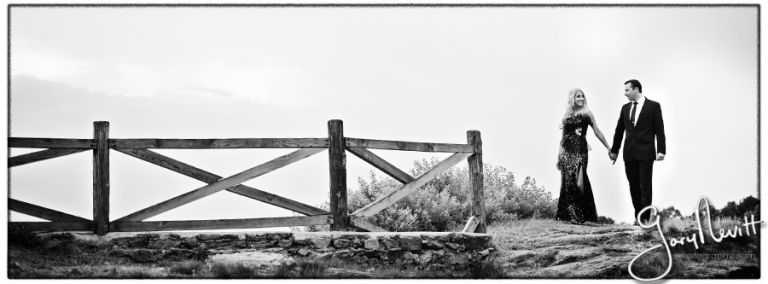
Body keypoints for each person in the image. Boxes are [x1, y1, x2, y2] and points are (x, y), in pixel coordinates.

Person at [609, 79, 666, 225]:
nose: (625, 93)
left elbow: (659, 130)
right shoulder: (625, 108)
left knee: (645, 186)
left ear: (636, 89)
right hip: (629, 153)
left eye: (627, 90)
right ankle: (638, 216)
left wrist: (661, 150)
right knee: (633, 186)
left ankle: (644, 218)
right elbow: (619, 131)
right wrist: (614, 151)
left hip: (646, 152)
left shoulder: (653, 106)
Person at [556, 88, 611, 224]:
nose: (580, 98)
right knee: (568, 181)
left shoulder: (587, 112)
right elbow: (563, 135)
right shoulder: (567, 113)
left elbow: (596, 130)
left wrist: (608, 147)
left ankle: (584, 212)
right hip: (566, 150)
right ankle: (572, 215)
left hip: (580, 149)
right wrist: (559, 156)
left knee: (580, 182)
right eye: (577, 96)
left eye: (582, 96)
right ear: (572, 99)